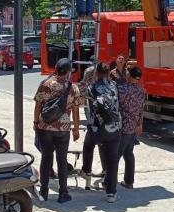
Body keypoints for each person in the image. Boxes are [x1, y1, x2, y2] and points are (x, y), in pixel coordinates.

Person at [33, 58, 81, 204]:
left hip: (45, 127)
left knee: (46, 158)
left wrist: (36, 122)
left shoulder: (45, 84)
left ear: (55, 68)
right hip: (63, 129)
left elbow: (38, 105)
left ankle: (44, 191)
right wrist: (76, 129)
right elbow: (75, 110)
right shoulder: (72, 88)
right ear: (68, 71)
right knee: (62, 159)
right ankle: (63, 193)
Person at [81, 62, 122, 203]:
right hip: (114, 128)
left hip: (97, 128)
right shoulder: (114, 85)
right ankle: (111, 193)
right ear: (109, 73)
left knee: (88, 145)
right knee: (112, 161)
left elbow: (84, 101)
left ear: (96, 73)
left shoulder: (91, 87)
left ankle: (86, 171)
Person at [117, 66, 146, 189]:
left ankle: (109, 182)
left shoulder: (122, 89)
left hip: (123, 127)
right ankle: (129, 181)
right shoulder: (141, 91)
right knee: (129, 154)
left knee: (115, 155)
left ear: (129, 75)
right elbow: (141, 110)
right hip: (133, 126)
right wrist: (139, 124)